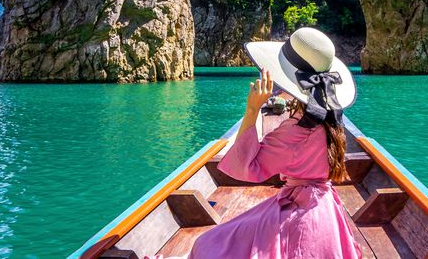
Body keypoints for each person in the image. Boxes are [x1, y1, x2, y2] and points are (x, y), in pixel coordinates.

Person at [149, 27, 362, 259]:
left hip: (298, 215)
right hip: (325, 212)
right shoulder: (332, 121)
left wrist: (252, 109)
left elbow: (247, 168)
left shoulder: (295, 132)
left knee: (206, 244)